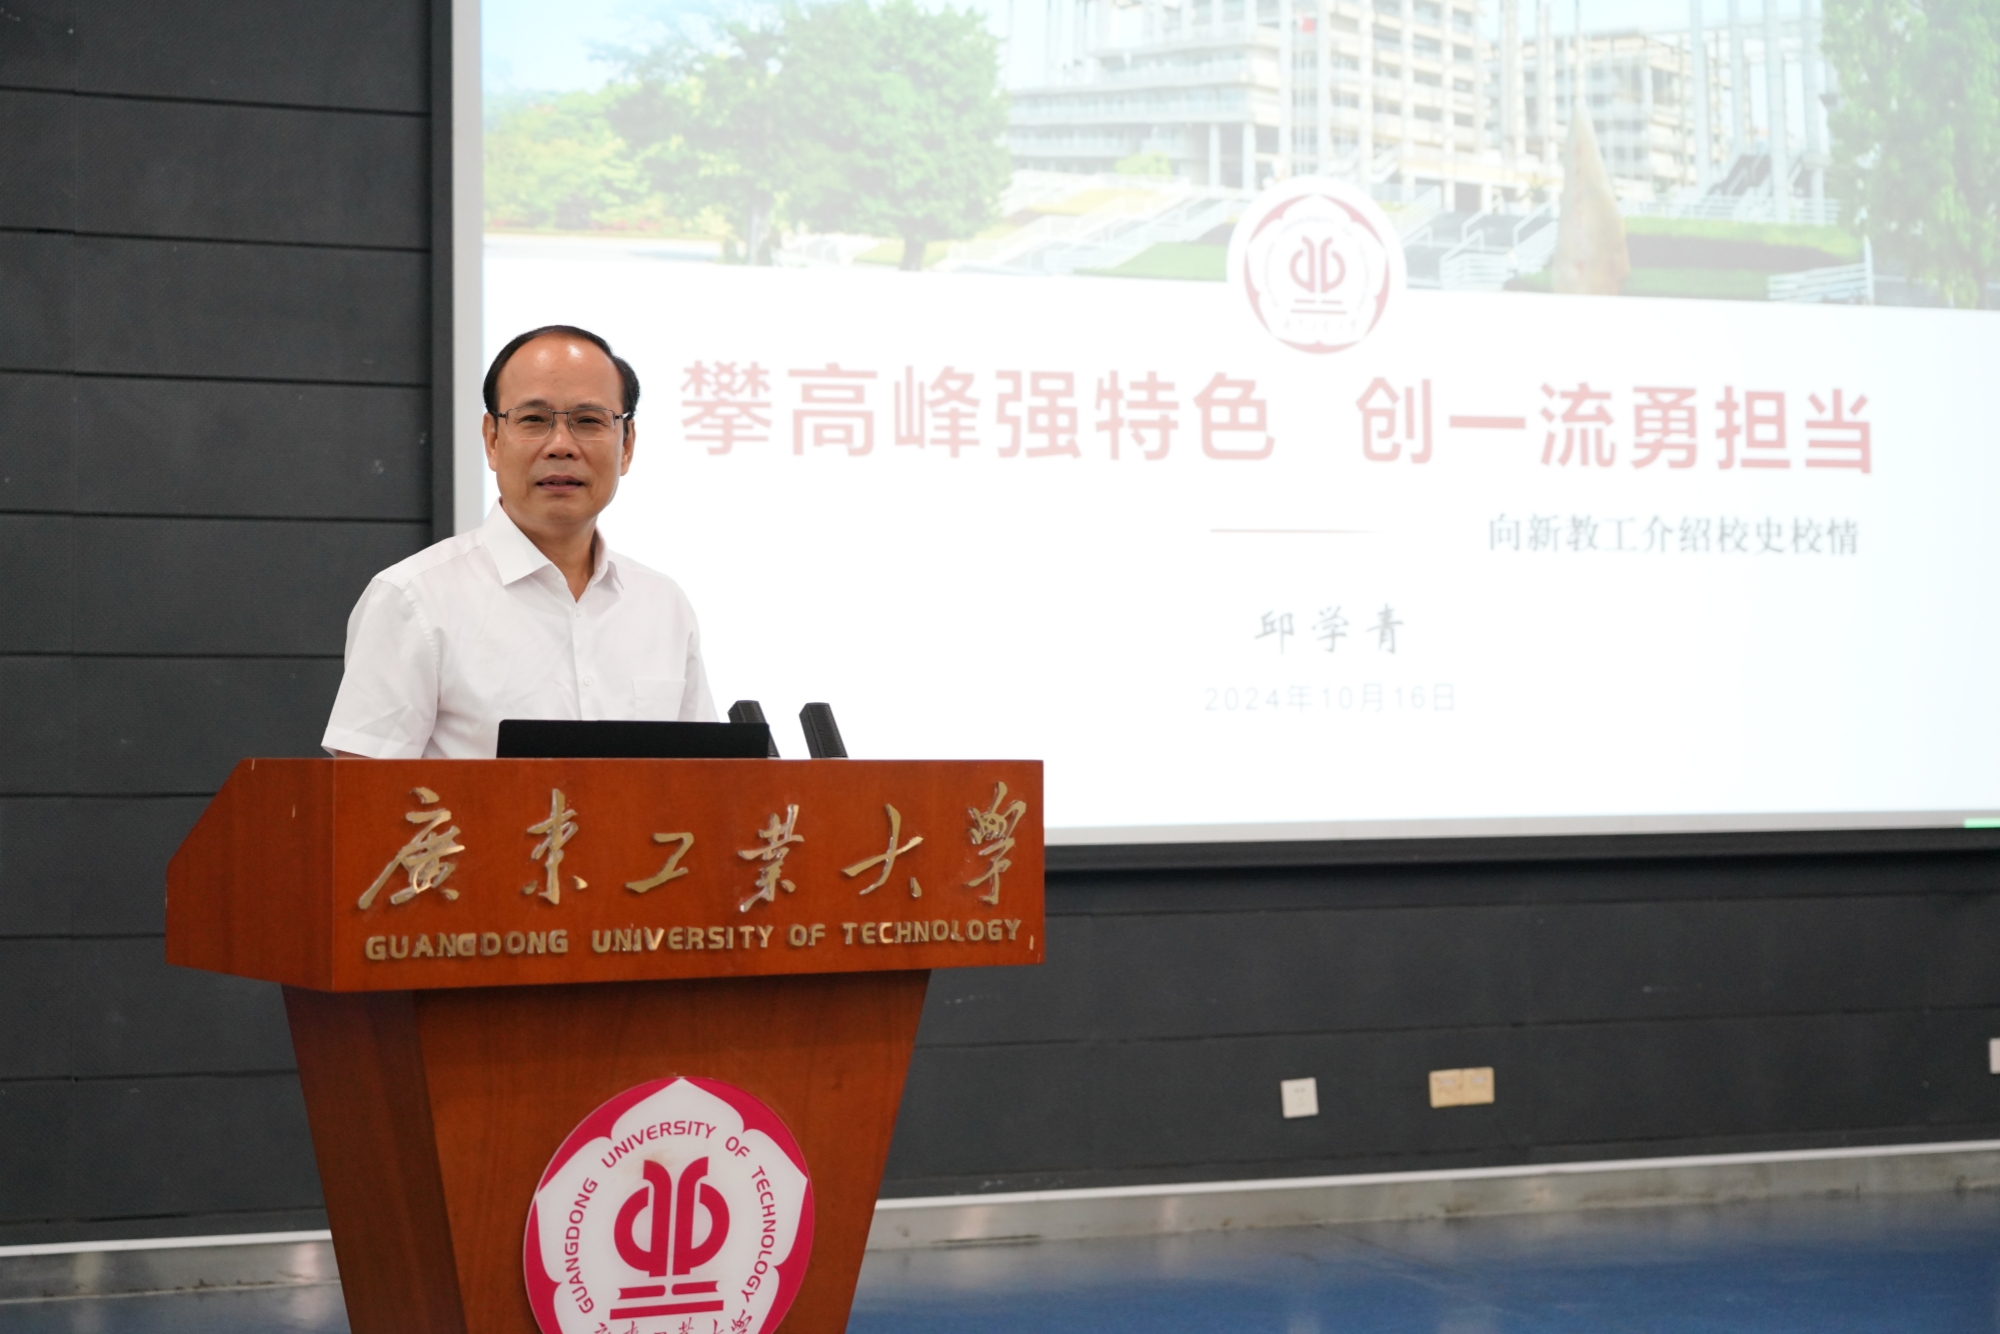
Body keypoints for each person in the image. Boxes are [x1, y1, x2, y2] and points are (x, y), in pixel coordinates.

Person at [322, 325, 716, 759]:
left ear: (627, 445)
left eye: (589, 421)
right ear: (492, 440)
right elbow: (362, 791)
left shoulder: (662, 604)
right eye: (534, 420)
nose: (561, 446)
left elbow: (706, 782)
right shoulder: (414, 598)